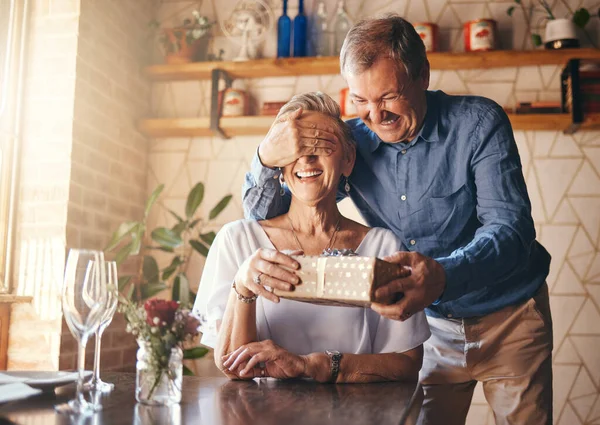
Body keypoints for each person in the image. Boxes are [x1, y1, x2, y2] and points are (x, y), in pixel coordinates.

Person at [241, 15, 553, 425]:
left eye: (388, 97)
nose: (374, 116)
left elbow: (511, 231)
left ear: (422, 75)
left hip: (510, 319)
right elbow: (263, 218)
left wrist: (441, 276)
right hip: (431, 328)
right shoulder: (353, 145)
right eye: (360, 101)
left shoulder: (479, 123)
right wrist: (266, 155)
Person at [195, 92, 430, 384]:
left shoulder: (383, 247)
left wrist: (314, 366)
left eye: (321, 144)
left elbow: (407, 363)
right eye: (295, 147)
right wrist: (243, 286)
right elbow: (233, 366)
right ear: (278, 165)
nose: (306, 158)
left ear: (348, 160)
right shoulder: (237, 241)